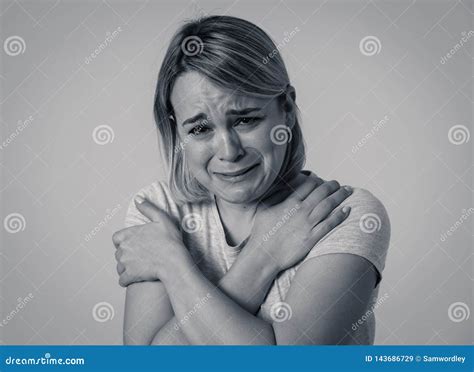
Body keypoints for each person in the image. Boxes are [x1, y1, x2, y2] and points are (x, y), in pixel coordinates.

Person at [112, 15, 390, 345]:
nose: (228, 151)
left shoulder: (344, 214)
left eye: (245, 119)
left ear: (285, 108)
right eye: (200, 129)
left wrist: (172, 266)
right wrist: (263, 255)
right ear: (177, 132)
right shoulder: (158, 211)